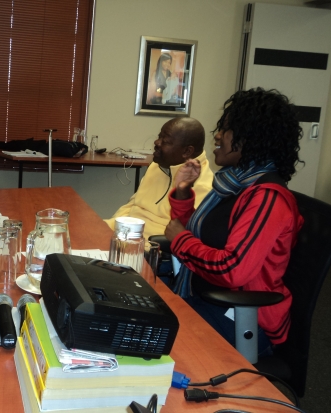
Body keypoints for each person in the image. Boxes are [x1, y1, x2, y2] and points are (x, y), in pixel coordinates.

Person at [164, 88, 304, 355]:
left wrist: (180, 240)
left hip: (241, 317)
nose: (217, 135)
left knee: (150, 336)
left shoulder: (268, 199)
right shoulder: (234, 186)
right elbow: (199, 234)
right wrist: (183, 193)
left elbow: (231, 268)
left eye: (226, 129)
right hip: (208, 297)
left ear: (251, 138)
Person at [104, 117, 213, 247]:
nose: (157, 142)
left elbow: (180, 237)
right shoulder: (157, 166)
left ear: (187, 151)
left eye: (165, 141)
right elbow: (133, 205)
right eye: (159, 137)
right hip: (124, 236)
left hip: (148, 250)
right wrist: (106, 228)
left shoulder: (205, 187)